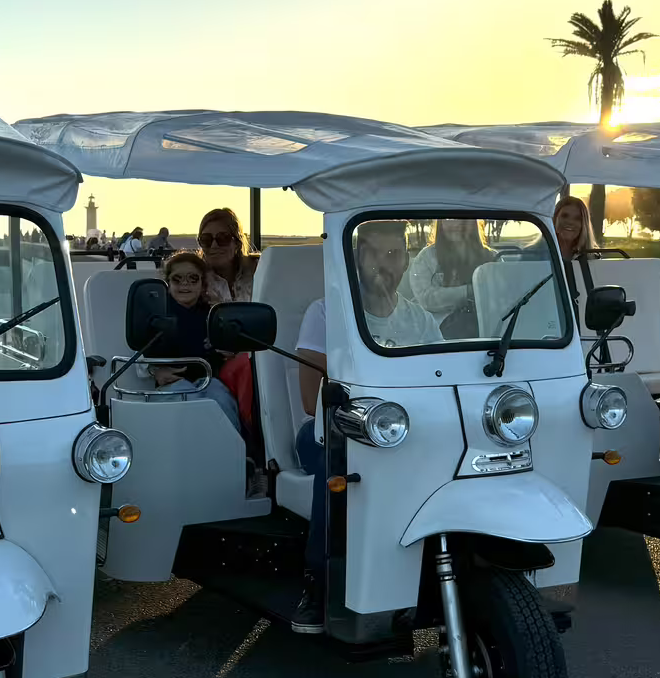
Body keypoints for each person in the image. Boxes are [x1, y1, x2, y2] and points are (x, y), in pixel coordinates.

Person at [289, 222, 442, 633]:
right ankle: (318, 582)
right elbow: (310, 400)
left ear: (407, 260)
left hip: (398, 433)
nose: (384, 265)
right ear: (356, 259)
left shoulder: (421, 320)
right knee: (336, 459)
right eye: (375, 254)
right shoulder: (325, 313)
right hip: (326, 429)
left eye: (394, 255)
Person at [140, 250, 241, 434]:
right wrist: (155, 370)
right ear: (167, 283)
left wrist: (227, 350)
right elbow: (137, 351)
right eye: (177, 279)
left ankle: (236, 452)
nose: (185, 284)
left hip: (207, 379)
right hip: (171, 384)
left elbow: (230, 347)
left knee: (221, 398)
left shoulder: (213, 314)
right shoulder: (157, 316)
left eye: (193, 278)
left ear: (203, 284)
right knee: (187, 396)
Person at [405, 217, 495, 339]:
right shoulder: (426, 258)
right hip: (438, 334)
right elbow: (426, 299)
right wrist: (469, 291)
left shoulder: (491, 258)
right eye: (449, 218)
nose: (456, 223)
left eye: (462, 217)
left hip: (486, 332)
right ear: (440, 222)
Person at [197, 207, 259, 305]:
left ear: (238, 243)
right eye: (206, 239)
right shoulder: (193, 278)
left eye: (223, 238)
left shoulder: (259, 272)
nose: (214, 245)